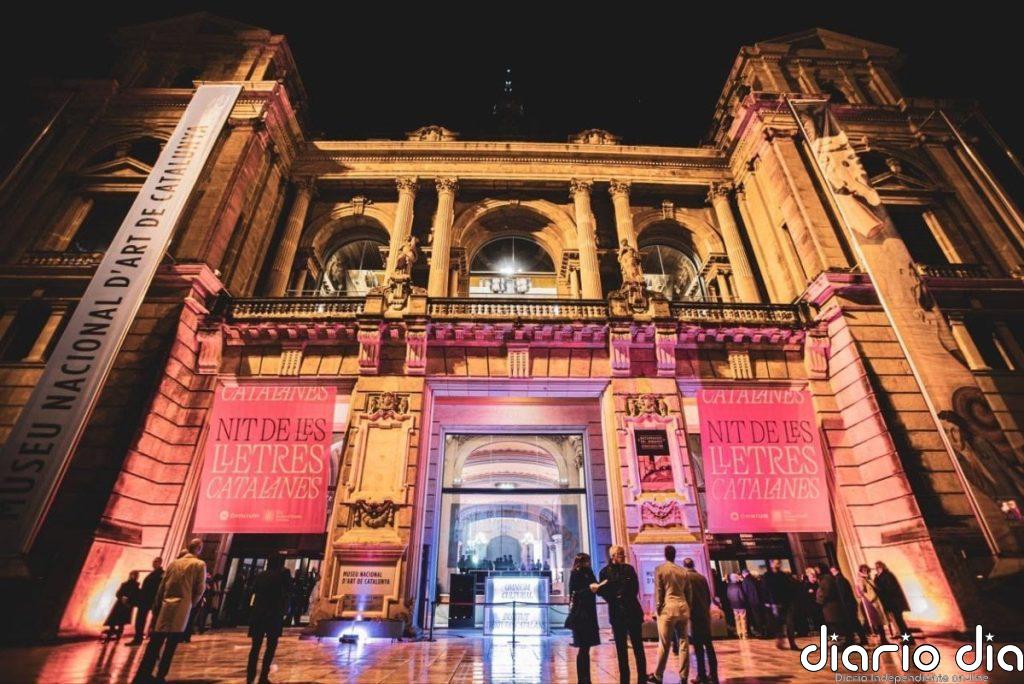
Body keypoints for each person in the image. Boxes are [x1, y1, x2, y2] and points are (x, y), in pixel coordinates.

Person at [132, 538, 207, 684]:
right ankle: (161, 675)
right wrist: (191, 604)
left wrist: (157, 607)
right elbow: (199, 589)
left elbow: (161, 588)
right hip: (182, 608)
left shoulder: (174, 563)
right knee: (171, 645)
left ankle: (144, 673)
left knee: (155, 643)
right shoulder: (199, 564)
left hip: (166, 606)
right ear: (198, 549)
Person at [595, 545, 649, 684]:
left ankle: (642, 679)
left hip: (632, 612)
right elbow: (603, 591)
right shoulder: (604, 572)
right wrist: (613, 596)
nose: (623, 556)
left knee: (638, 647)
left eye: (623, 553)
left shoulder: (629, 569)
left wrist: (620, 595)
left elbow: (635, 588)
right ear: (612, 556)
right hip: (617, 614)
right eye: (620, 554)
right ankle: (624, 680)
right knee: (621, 650)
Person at [247, 553, 292, 684]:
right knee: (270, 647)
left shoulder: (260, 575)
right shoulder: (282, 577)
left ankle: (250, 677)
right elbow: (288, 593)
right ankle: (263, 677)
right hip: (273, 615)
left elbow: (253, 591)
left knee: (255, 648)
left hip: (258, 615)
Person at [651, 546, 690, 684]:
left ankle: (658, 675)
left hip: (667, 608)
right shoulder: (683, 571)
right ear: (675, 555)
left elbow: (659, 591)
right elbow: (688, 592)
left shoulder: (660, 569)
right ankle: (684, 676)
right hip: (683, 608)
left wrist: (657, 609)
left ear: (665, 555)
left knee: (664, 643)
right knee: (684, 642)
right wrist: (687, 606)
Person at [682, 558, 718, 684]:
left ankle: (701, 675)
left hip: (694, 617)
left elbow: (686, 598)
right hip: (704, 615)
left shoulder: (685, 578)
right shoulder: (702, 578)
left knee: (698, 648)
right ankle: (714, 675)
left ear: (684, 566)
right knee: (709, 646)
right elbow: (708, 598)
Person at [568, 553, 601, 684]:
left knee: (586, 648)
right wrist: (589, 589)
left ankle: (587, 679)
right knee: (583, 648)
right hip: (581, 614)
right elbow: (574, 593)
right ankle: (582, 679)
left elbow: (595, 585)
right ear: (581, 562)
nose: (589, 563)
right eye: (587, 561)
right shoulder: (575, 574)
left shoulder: (589, 572)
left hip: (590, 613)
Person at [762, 559, 798, 650]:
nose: (778, 564)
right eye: (776, 563)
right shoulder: (767, 576)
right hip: (775, 602)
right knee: (778, 624)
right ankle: (780, 641)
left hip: (786, 602)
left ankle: (792, 643)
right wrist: (768, 602)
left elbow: (788, 588)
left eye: (779, 563)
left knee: (789, 623)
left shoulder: (783, 575)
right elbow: (765, 590)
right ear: (771, 564)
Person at [873, 561, 912, 641]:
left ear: (882, 567)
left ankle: (908, 639)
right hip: (891, 604)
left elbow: (889, 588)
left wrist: (878, 581)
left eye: (878, 567)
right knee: (899, 622)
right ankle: (906, 638)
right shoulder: (880, 576)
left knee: (900, 622)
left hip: (895, 603)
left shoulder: (887, 575)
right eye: (876, 568)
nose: (877, 569)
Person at [129, 557, 164, 646]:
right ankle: (138, 637)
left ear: (160, 563)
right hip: (145, 599)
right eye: (153, 561)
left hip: (149, 600)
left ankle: (141, 637)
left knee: (143, 619)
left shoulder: (161, 574)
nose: (153, 563)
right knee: (140, 619)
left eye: (155, 561)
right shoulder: (154, 573)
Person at [816, 562, 851, 646]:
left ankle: (841, 643)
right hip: (829, 606)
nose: (816, 571)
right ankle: (841, 642)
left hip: (831, 606)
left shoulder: (826, 578)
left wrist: (820, 600)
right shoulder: (825, 578)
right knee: (834, 624)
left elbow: (826, 591)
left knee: (836, 625)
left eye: (817, 569)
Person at [831, 566, 867, 645]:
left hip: (847, 605)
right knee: (853, 622)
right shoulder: (841, 579)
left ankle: (856, 639)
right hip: (850, 604)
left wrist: (842, 605)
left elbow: (842, 594)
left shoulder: (839, 580)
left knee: (853, 622)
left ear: (834, 571)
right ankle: (857, 639)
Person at [103, 571, 140, 641]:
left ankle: (117, 634)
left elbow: (136, 595)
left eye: (136, 575)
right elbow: (118, 593)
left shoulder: (135, 586)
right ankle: (113, 631)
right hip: (120, 604)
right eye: (134, 575)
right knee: (115, 619)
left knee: (121, 621)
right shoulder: (125, 584)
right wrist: (122, 597)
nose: (135, 576)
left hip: (126, 605)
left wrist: (129, 600)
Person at [856, 564, 888, 643]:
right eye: (863, 570)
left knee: (880, 620)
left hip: (876, 601)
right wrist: (871, 598)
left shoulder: (868, 578)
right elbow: (863, 591)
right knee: (877, 620)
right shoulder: (862, 579)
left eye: (866, 570)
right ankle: (882, 638)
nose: (865, 571)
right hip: (871, 602)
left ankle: (883, 638)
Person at [740, 568, 764, 637]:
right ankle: (762, 630)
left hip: (752, 601)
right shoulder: (754, 579)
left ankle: (760, 632)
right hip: (759, 600)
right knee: (760, 616)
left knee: (756, 617)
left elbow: (745, 592)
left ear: (744, 574)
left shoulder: (745, 581)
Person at [726, 573, 748, 638]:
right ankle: (744, 633)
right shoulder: (738, 586)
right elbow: (742, 597)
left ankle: (739, 633)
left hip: (733, 605)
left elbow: (728, 596)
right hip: (741, 605)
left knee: (737, 619)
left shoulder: (729, 587)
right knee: (743, 619)